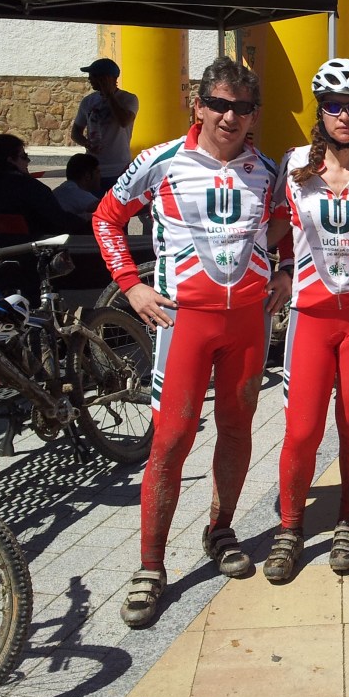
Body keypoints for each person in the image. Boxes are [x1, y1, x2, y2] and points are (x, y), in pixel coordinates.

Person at [93, 56, 277, 628]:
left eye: (241, 107)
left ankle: (220, 530)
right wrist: (131, 286)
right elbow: (106, 218)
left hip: (247, 325)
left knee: (238, 430)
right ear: (197, 106)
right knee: (171, 441)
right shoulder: (162, 161)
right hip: (184, 326)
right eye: (218, 104)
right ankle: (151, 565)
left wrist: (286, 272)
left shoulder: (266, 170)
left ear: (253, 115)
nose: (229, 116)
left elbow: (288, 224)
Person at [260, 59, 349, 583]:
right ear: (321, 112)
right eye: (333, 105)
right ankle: (290, 529)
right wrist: (279, 270)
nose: (344, 115)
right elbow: (274, 229)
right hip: (310, 316)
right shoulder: (294, 165)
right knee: (302, 429)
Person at [0, 133, 88, 235]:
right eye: (24, 156)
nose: (28, 161)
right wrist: (86, 219)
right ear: (10, 160)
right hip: (32, 247)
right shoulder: (31, 188)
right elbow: (61, 221)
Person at [74, 57, 139, 192]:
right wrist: (87, 143)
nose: (89, 79)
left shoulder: (129, 99)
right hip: (93, 168)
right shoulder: (88, 101)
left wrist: (109, 95)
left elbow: (124, 121)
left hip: (119, 168)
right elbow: (76, 132)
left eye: (93, 75)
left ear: (107, 78)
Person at [53, 153, 102, 219]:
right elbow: (106, 209)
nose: (100, 176)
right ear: (87, 176)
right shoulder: (73, 191)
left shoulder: (66, 188)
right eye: (97, 172)